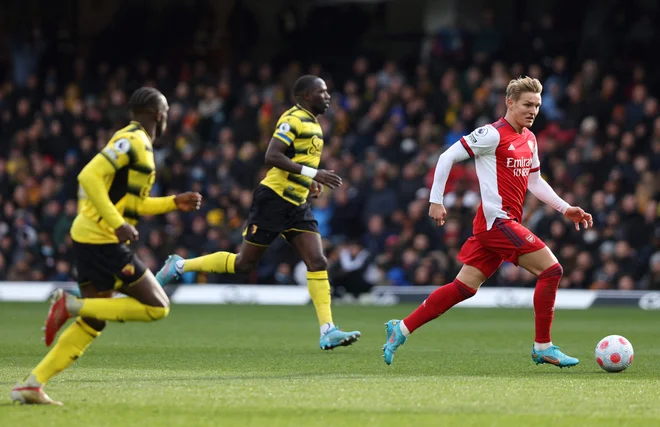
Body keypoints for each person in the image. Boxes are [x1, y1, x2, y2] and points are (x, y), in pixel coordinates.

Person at [382, 76, 593, 367]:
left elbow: (534, 181)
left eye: (537, 105)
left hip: (498, 225)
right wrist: (436, 200)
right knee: (552, 270)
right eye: (527, 104)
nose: (533, 110)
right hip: (497, 223)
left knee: (464, 287)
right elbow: (446, 157)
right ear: (509, 103)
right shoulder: (491, 134)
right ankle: (543, 346)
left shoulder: (529, 139)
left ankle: (401, 328)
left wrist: (565, 208)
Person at [11, 87, 203, 405]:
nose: (168, 117)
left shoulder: (138, 143)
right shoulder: (133, 140)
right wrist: (116, 224)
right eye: (166, 110)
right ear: (158, 114)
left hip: (91, 238)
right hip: (101, 240)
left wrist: (173, 202)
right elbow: (88, 176)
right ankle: (69, 305)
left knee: (95, 320)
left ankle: (31, 385)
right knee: (157, 306)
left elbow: (133, 203)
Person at [155, 75, 361, 350]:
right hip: (273, 200)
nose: (328, 96)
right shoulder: (292, 119)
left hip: (297, 204)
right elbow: (272, 155)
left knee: (318, 261)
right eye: (322, 92)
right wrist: (315, 173)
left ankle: (328, 330)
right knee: (244, 264)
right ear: (306, 96)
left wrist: (308, 181)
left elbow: (293, 161)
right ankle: (180, 265)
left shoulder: (313, 123)